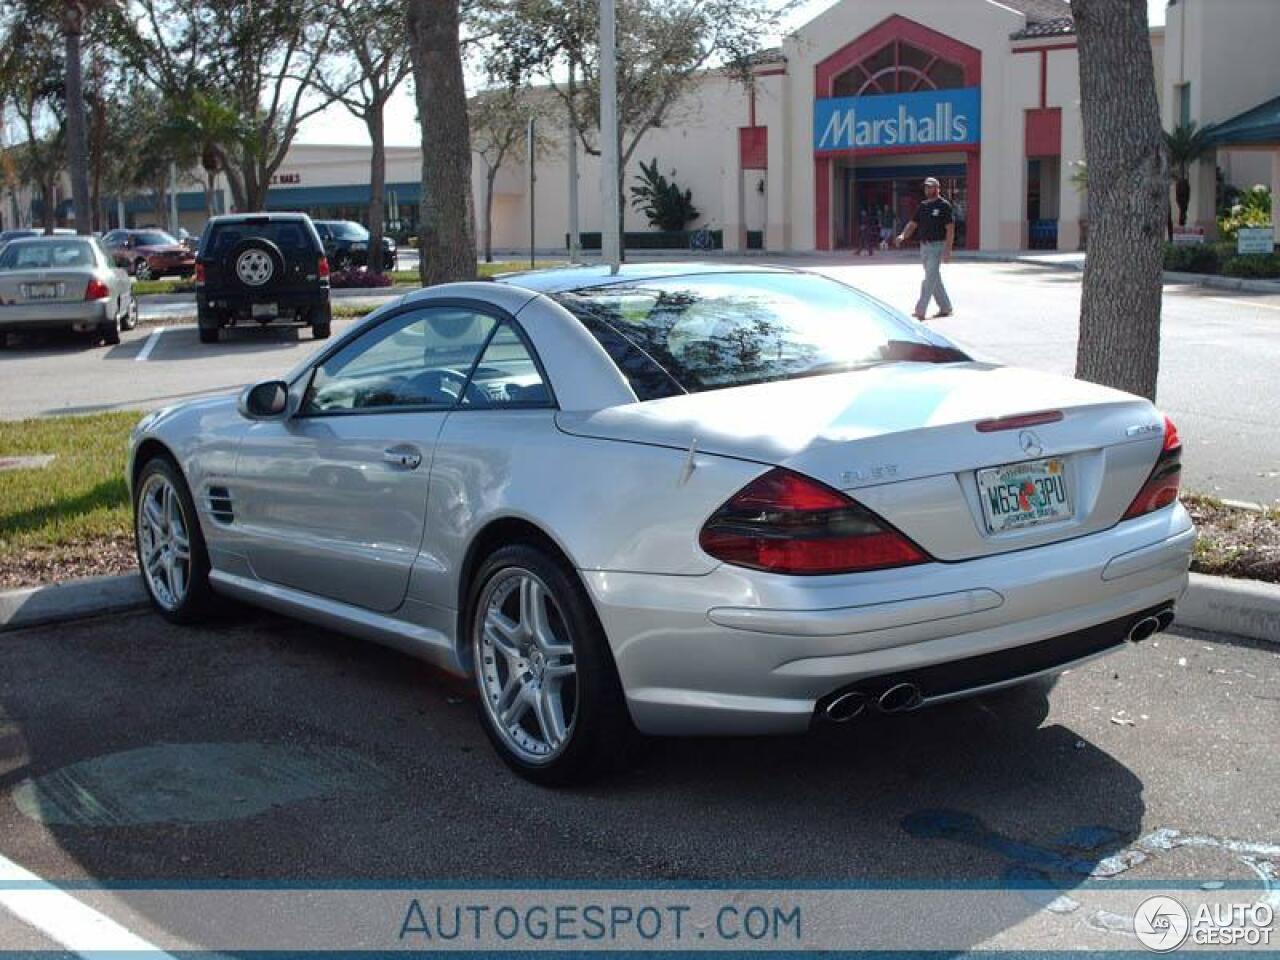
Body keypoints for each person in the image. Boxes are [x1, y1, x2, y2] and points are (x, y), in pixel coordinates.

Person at [894, 177, 954, 320]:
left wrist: (947, 250)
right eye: (926, 187)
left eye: (930, 187)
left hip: (937, 246)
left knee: (929, 279)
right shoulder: (923, 206)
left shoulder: (944, 206)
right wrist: (903, 235)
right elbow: (912, 224)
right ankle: (946, 307)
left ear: (937, 188)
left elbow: (950, 229)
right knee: (934, 279)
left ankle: (920, 311)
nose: (927, 189)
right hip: (924, 247)